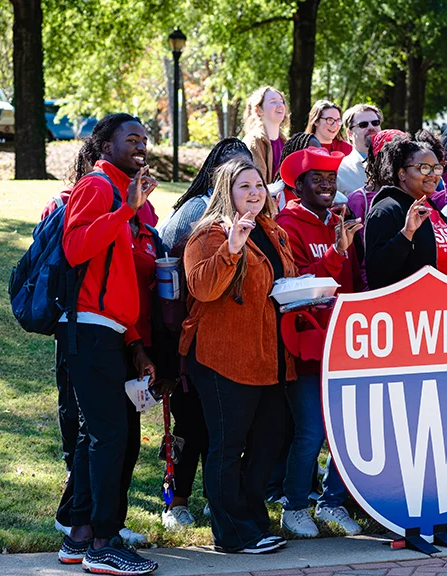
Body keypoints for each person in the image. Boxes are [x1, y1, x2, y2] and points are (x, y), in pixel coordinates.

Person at [56, 113, 158, 574]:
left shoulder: (121, 188)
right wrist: (126, 210)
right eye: (130, 138)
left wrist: (136, 343)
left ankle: (79, 537)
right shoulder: (99, 186)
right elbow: (75, 248)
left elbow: (116, 279)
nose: (140, 145)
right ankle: (103, 544)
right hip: (88, 330)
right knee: (110, 435)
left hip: (111, 332)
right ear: (105, 144)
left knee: (97, 435)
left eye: (144, 138)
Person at [179, 159, 296, 553]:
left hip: (271, 358)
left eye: (259, 185)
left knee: (266, 445)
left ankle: (253, 523)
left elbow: (283, 284)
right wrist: (231, 249)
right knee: (228, 448)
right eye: (243, 186)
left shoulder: (272, 230)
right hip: (223, 357)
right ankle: (230, 534)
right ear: (226, 191)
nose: (254, 192)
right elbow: (203, 288)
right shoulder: (209, 234)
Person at [155, 138, 253, 531]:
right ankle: (175, 502)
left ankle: (217, 499)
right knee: (191, 425)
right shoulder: (197, 212)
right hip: (187, 338)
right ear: (216, 174)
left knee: (222, 429)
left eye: (249, 171)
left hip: (230, 342)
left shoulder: (251, 217)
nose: (243, 180)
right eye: (233, 170)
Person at [274, 148, 364, 537]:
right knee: (310, 430)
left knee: (347, 430)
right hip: (305, 340)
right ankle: (294, 506)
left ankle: (331, 503)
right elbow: (294, 285)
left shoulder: (340, 222)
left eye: (331, 179)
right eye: (317, 179)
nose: (327, 185)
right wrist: (334, 253)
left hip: (344, 338)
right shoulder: (285, 225)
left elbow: (355, 279)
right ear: (299, 185)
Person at [365, 133, 447, 289]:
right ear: (402, 173)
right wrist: (406, 234)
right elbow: (377, 273)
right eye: (424, 168)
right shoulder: (385, 210)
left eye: (436, 168)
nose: (432, 175)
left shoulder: (433, 209)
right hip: (412, 308)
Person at [346, 129, 408, 223]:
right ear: (377, 161)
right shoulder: (359, 200)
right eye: (393, 158)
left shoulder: (415, 193)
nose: (401, 164)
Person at [242, 86, 289, 184]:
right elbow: (256, 184)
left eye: (281, 101)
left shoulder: (287, 143)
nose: (280, 105)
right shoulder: (253, 141)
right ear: (259, 110)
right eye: (273, 102)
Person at [336, 104, 382, 194]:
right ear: (349, 133)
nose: (371, 127)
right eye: (363, 125)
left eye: (375, 123)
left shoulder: (397, 163)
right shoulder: (340, 171)